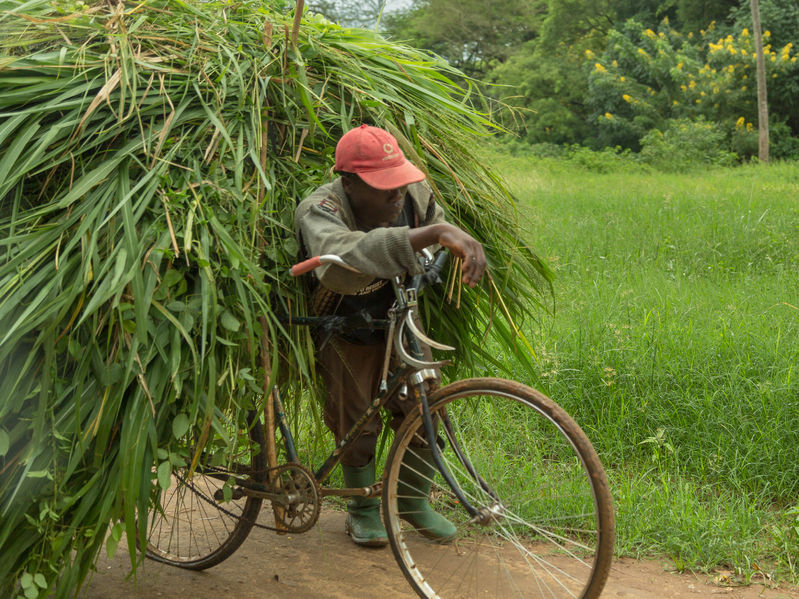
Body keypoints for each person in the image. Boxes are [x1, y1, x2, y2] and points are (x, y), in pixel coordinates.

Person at [294, 124, 486, 547]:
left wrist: (444, 242)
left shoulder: (414, 198)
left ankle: (413, 502)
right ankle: (361, 508)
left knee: (426, 406)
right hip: (344, 327)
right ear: (349, 183)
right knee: (356, 420)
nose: (395, 196)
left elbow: (435, 226)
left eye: (399, 183)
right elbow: (344, 258)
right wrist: (435, 235)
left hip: (400, 318)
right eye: (384, 189)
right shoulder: (322, 208)